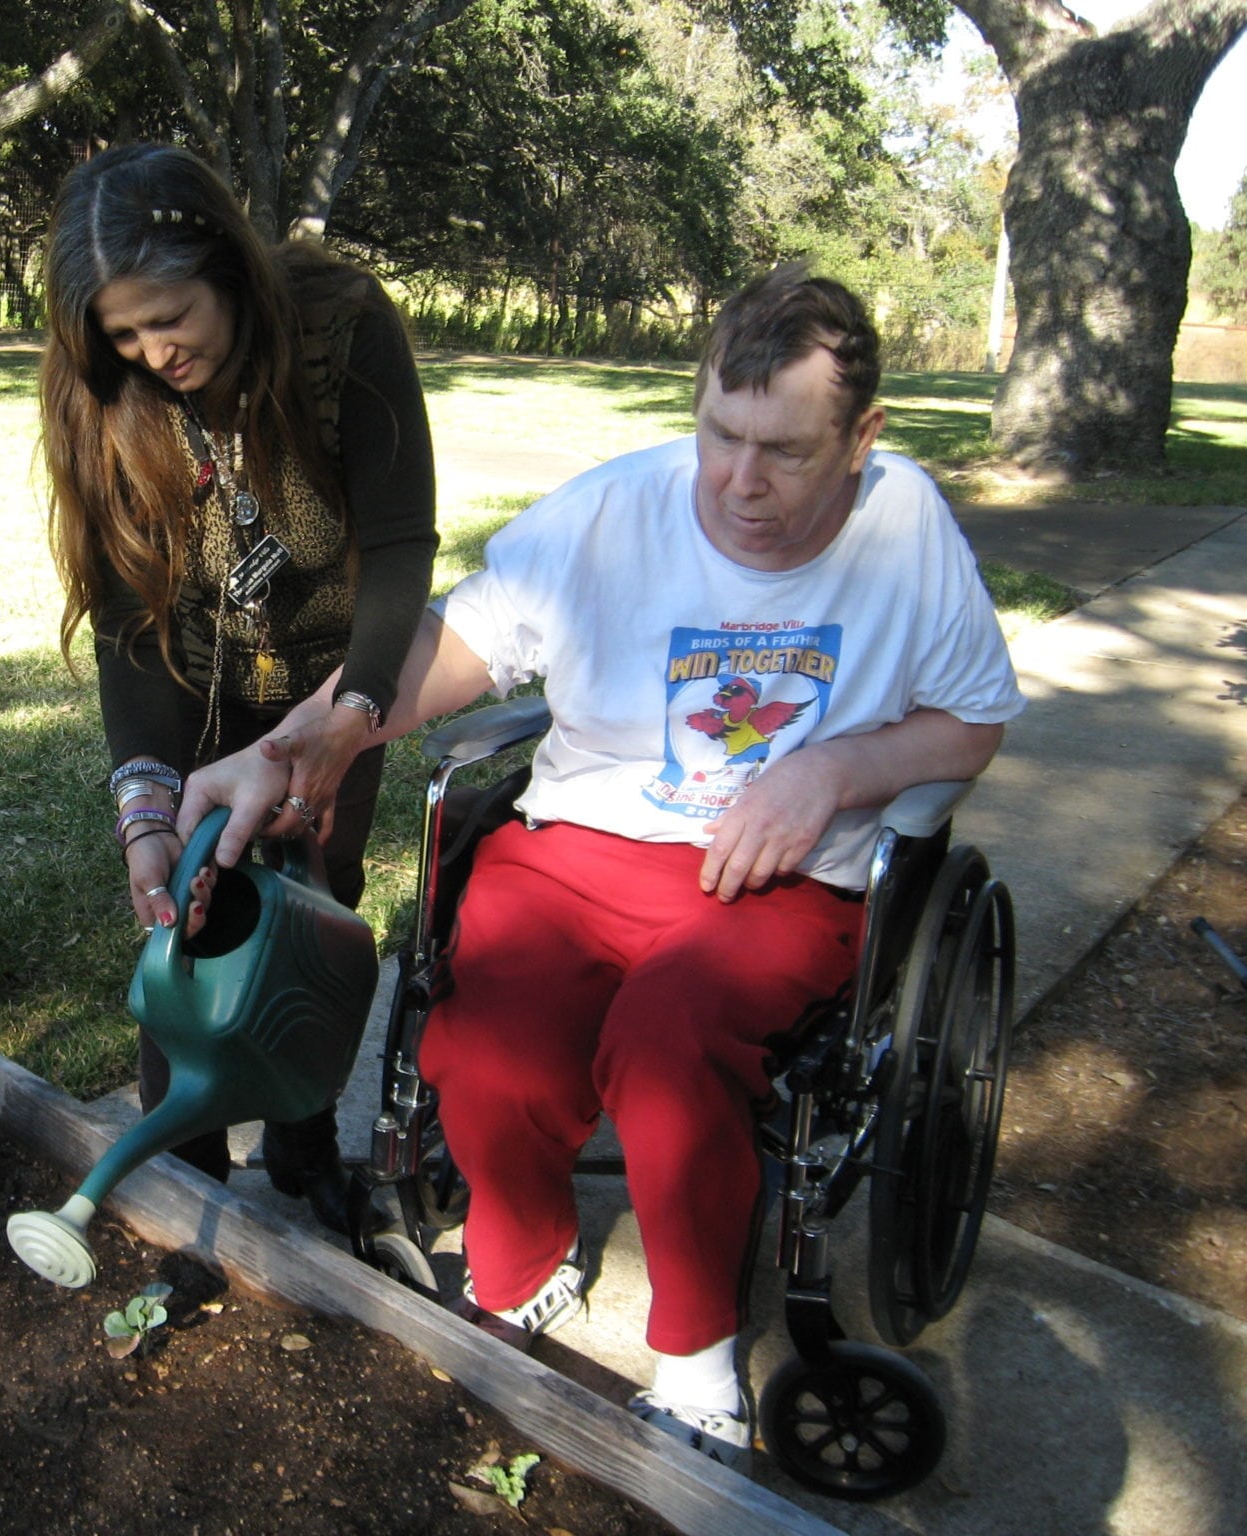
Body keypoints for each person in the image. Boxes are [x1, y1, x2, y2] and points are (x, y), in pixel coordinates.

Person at [181, 266, 1025, 1469]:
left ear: (861, 438)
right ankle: (516, 1270)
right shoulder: (611, 514)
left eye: (782, 451)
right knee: (475, 1046)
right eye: (718, 436)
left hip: (771, 886)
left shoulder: (904, 530)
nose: (739, 482)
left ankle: (693, 1355)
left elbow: (972, 719)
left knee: (670, 1050)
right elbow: (445, 647)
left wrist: (833, 770)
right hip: (575, 851)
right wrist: (291, 746)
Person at [39, 143, 439, 1228]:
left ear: (224, 260)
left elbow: (400, 548)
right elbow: (130, 623)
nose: (152, 350)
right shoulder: (105, 394)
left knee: (311, 914)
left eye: (169, 315)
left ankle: (307, 1155)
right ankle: (183, 1188)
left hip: (332, 688)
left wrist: (352, 716)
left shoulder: (340, 329)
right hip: (191, 687)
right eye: (122, 333)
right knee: (191, 928)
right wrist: (146, 814)